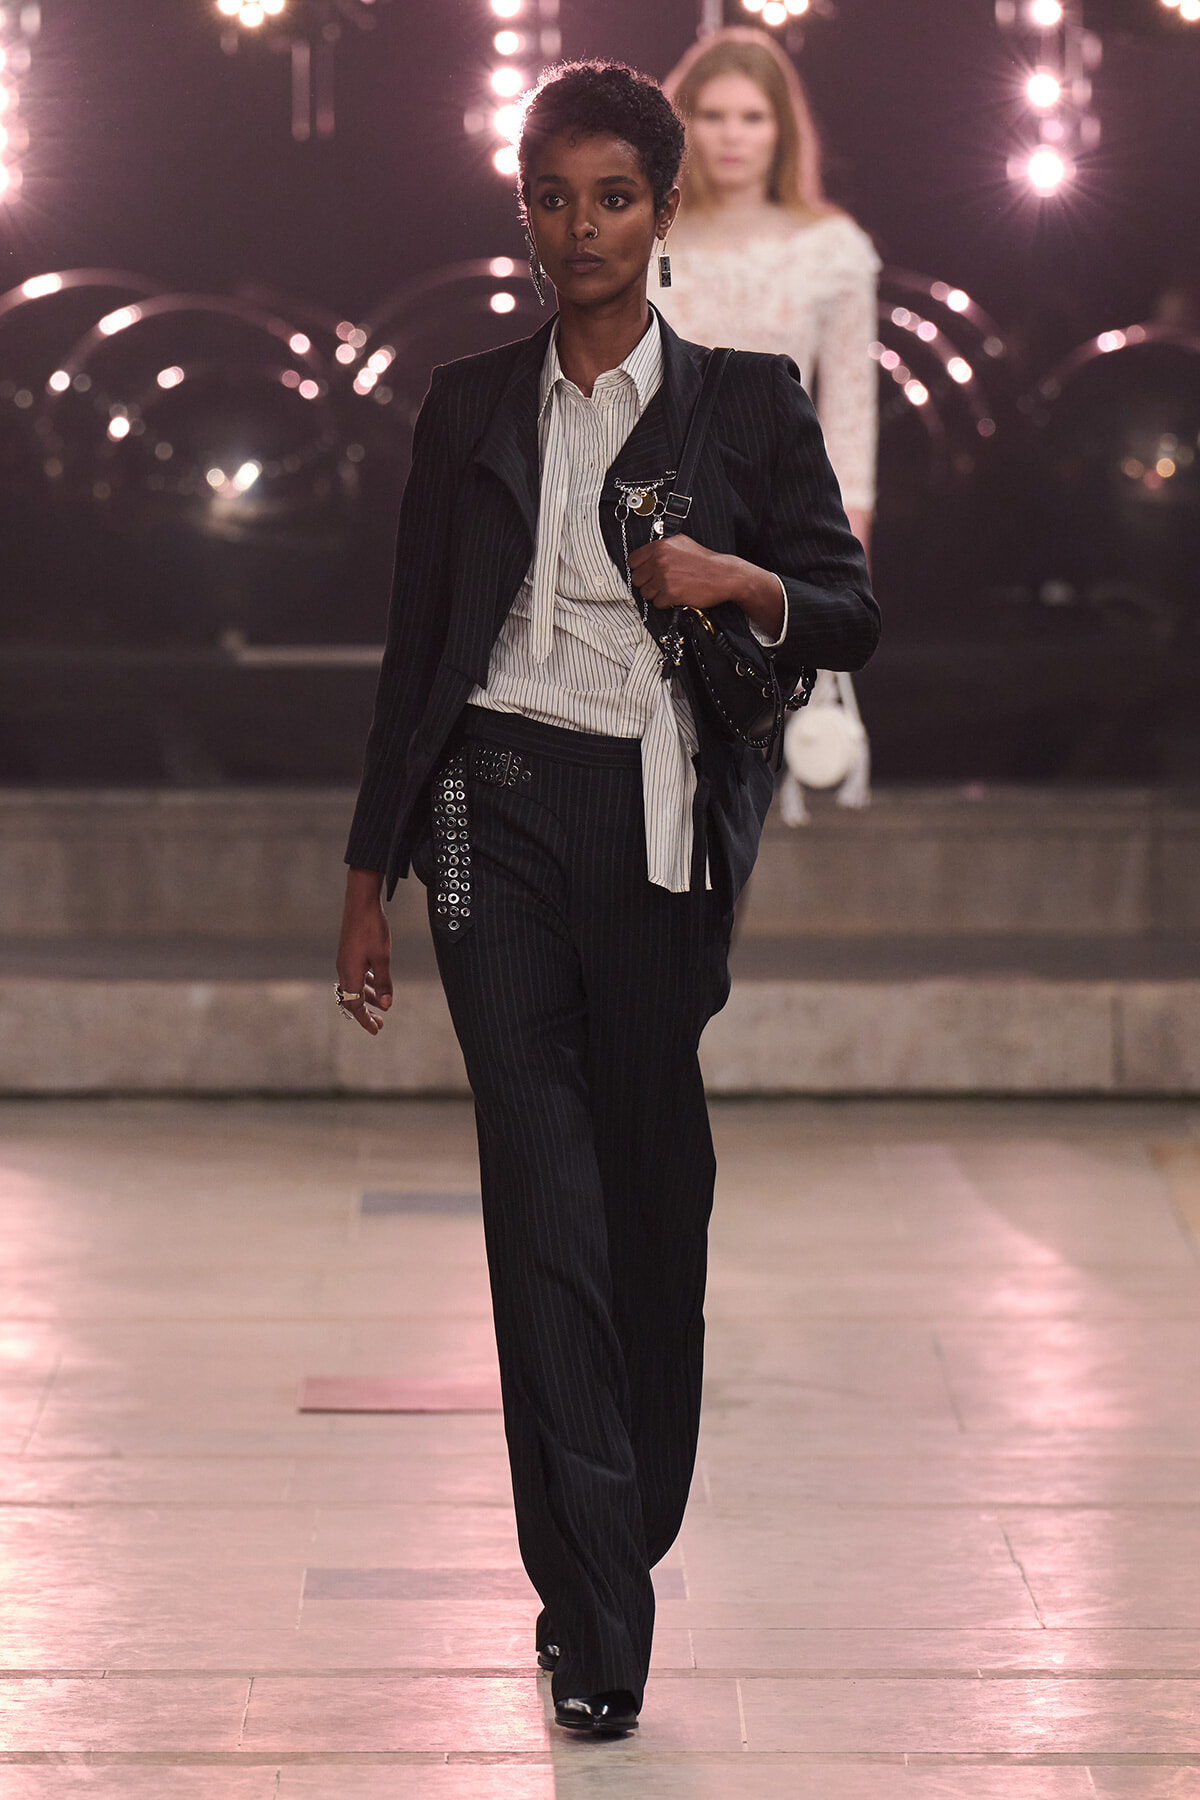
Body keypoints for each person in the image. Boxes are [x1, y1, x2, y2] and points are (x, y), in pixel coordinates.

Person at [335, 60, 878, 1737]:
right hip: (487, 818)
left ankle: (614, 1524)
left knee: (650, 1193)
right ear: (523, 214)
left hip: (656, 834)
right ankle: (594, 1617)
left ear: (661, 212)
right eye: (553, 199)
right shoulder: (467, 406)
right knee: (541, 1201)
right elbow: (417, 654)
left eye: (613, 198)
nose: (582, 229)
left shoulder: (746, 404)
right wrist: (365, 876)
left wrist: (740, 579)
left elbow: (849, 610)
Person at [660, 28, 880, 816]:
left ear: (782, 129)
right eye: (713, 115)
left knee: (746, 771)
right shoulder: (645, 234)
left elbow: (849, 411)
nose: (732, 136)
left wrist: (844, 562)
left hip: (778, 527)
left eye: (752, 117)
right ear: (683, 124)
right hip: (652, 512)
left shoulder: (832, 249)